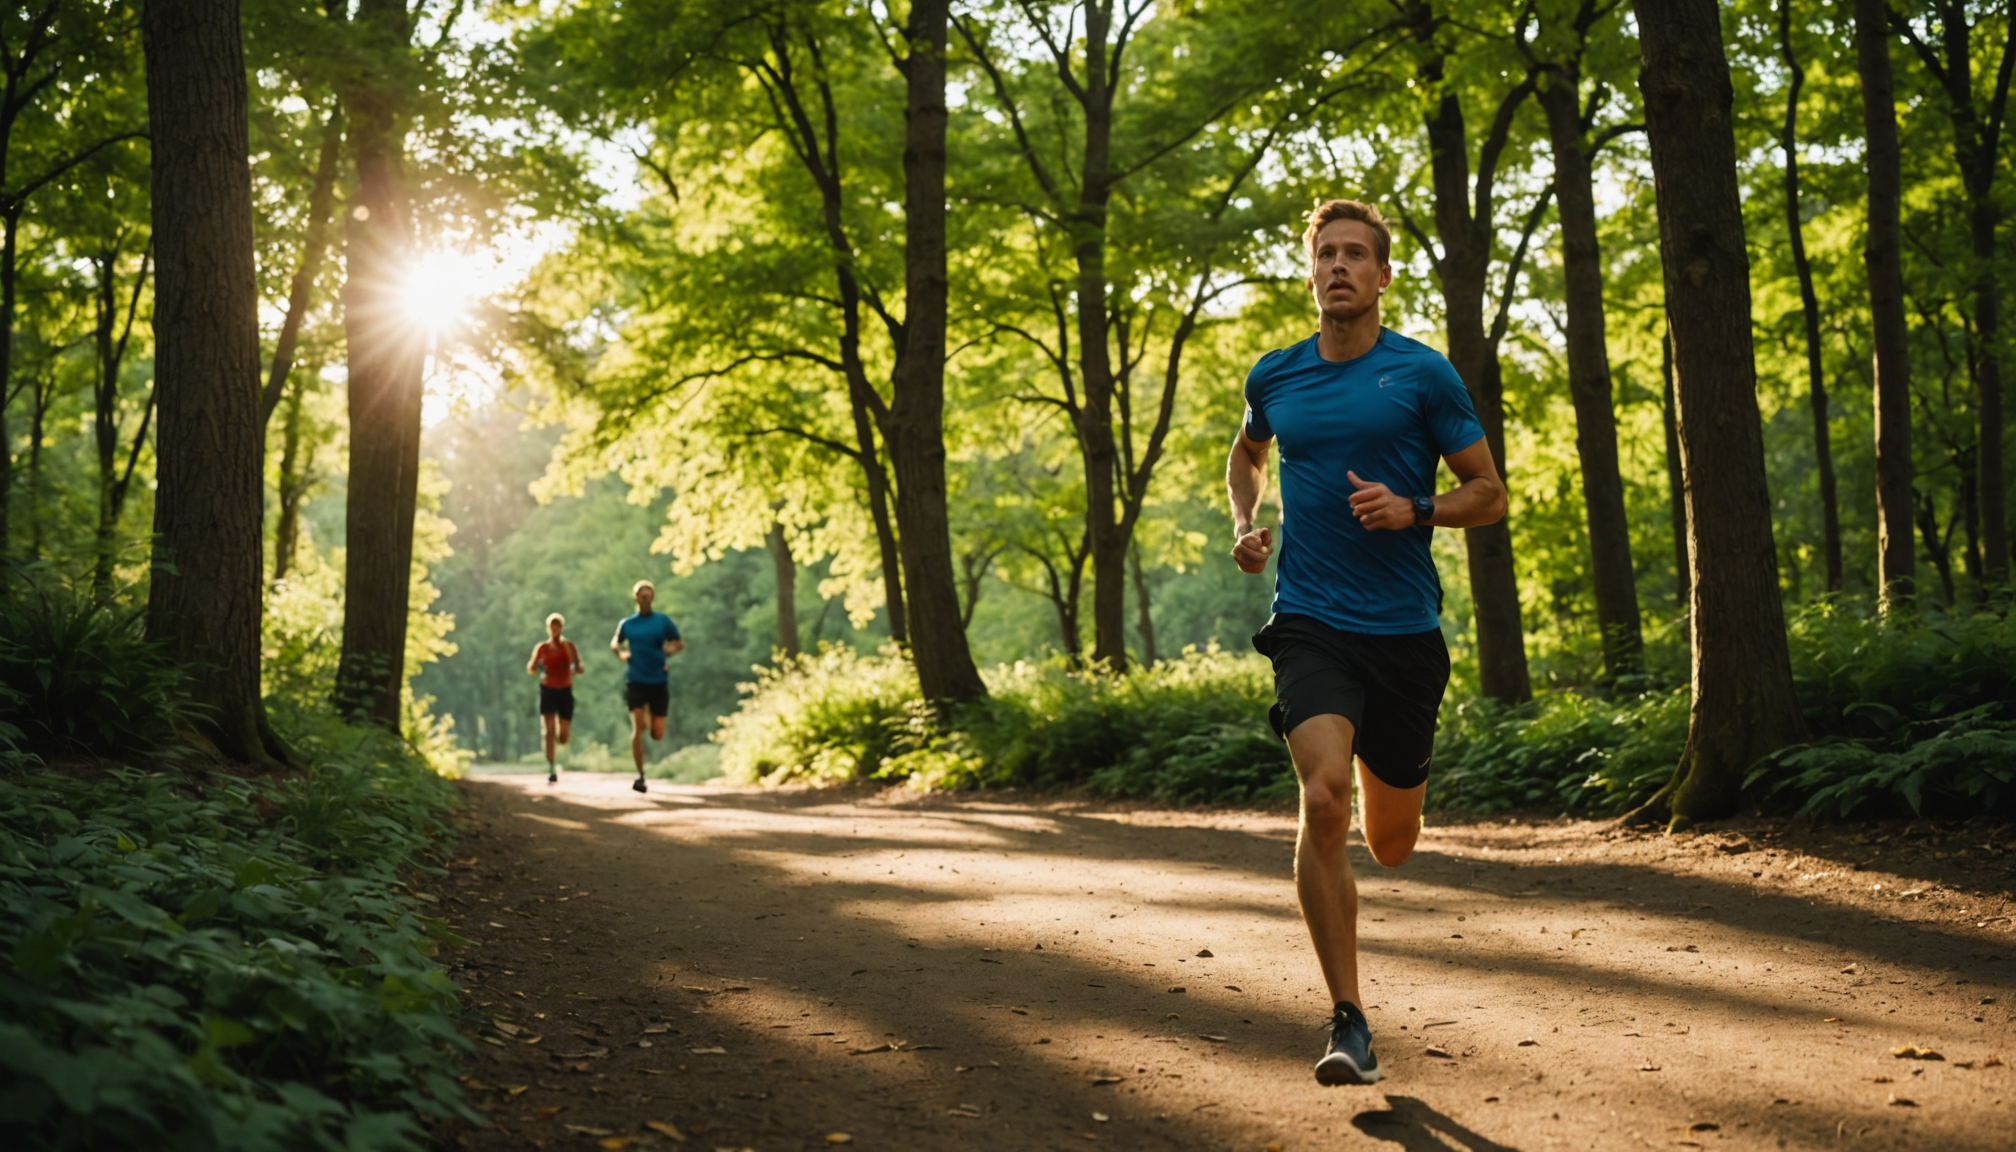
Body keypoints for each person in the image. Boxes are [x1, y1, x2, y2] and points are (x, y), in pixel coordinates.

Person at [1226, 199, 1507, 1086]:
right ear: (1310, 272)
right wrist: (1246, 518)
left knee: (1391, 840)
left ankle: (1399, 811)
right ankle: (1348, 1019)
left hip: (1404, 635)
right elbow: (1247, 454)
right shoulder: (1274, 377)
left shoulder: (1423, 377)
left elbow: (1489, 492)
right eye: (1327, 254)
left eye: (1357, 255)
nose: (1340, 266)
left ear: (1383, 276)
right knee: (1321, 799)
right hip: (1310, 621)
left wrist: (1413, 508)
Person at [611, 579, 683, 793]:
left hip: (658, 681)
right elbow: (615, 641)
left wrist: (671, 649)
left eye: (648, 594)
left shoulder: (662, 621)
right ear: (636, 597)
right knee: (638, 728)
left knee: (657, 733)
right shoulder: (627, 624)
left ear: (652, 597)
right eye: (641, 594)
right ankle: (640, 775)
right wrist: (619, 652)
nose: (645, 597)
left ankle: (653, 715)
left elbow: (679, 641)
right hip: (635, 680)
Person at [527, 613, 582, 785]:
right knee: (549, 729)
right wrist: (537, 669)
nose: (555, 628)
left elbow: (579, 667)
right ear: (548, 628)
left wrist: (574, 670)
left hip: (565, 690)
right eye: (552, 625)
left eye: (557, 625)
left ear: (561, 628)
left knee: (563, 735)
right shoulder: (542, 648)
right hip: (548, 690)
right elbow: (531, 668)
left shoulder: (569, 647)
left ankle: (562, 736)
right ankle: (551, 767)